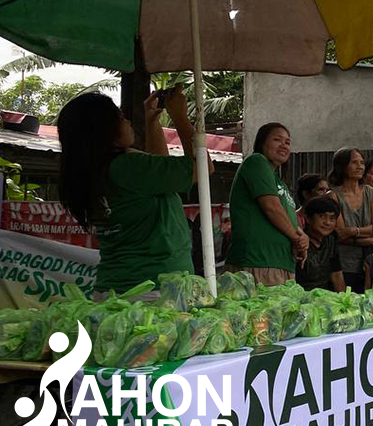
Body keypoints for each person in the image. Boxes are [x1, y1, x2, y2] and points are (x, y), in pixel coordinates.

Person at [58, 89, 211, 296]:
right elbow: (202, 168)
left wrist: (152, 123)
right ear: (104, 129)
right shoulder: (126, 167)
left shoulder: (95, 170)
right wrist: (181, 119)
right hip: (153, 291)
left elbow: (159, 172)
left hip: (116, 289)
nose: (128, 121)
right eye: (120, 117)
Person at [227, 123, 304, 286]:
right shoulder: (257, 161)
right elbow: (272, 208)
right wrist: (297, 238)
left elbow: (286, 215)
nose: (284, 145)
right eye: (277, 139)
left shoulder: (278, 180)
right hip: (258, 262)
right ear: (262, 143)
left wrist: (302, 235)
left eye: (288, 142)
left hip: (279, 262)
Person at [328, 147, 373, 293]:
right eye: (354, 162)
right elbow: (339, 234)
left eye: (362, 162)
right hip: (344, 262)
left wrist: (353, 231)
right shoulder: (333, 195)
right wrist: (366, 238)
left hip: (370, 261)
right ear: (342, 166)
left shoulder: (370, 192)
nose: (359, 166)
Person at [296, 197, 346, 292]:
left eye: (332, 218)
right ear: (308, 218)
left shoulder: (331, 241)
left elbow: (337, 275)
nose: (327, 223)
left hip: (324, 297)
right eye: (322, 216)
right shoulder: (299, 242)